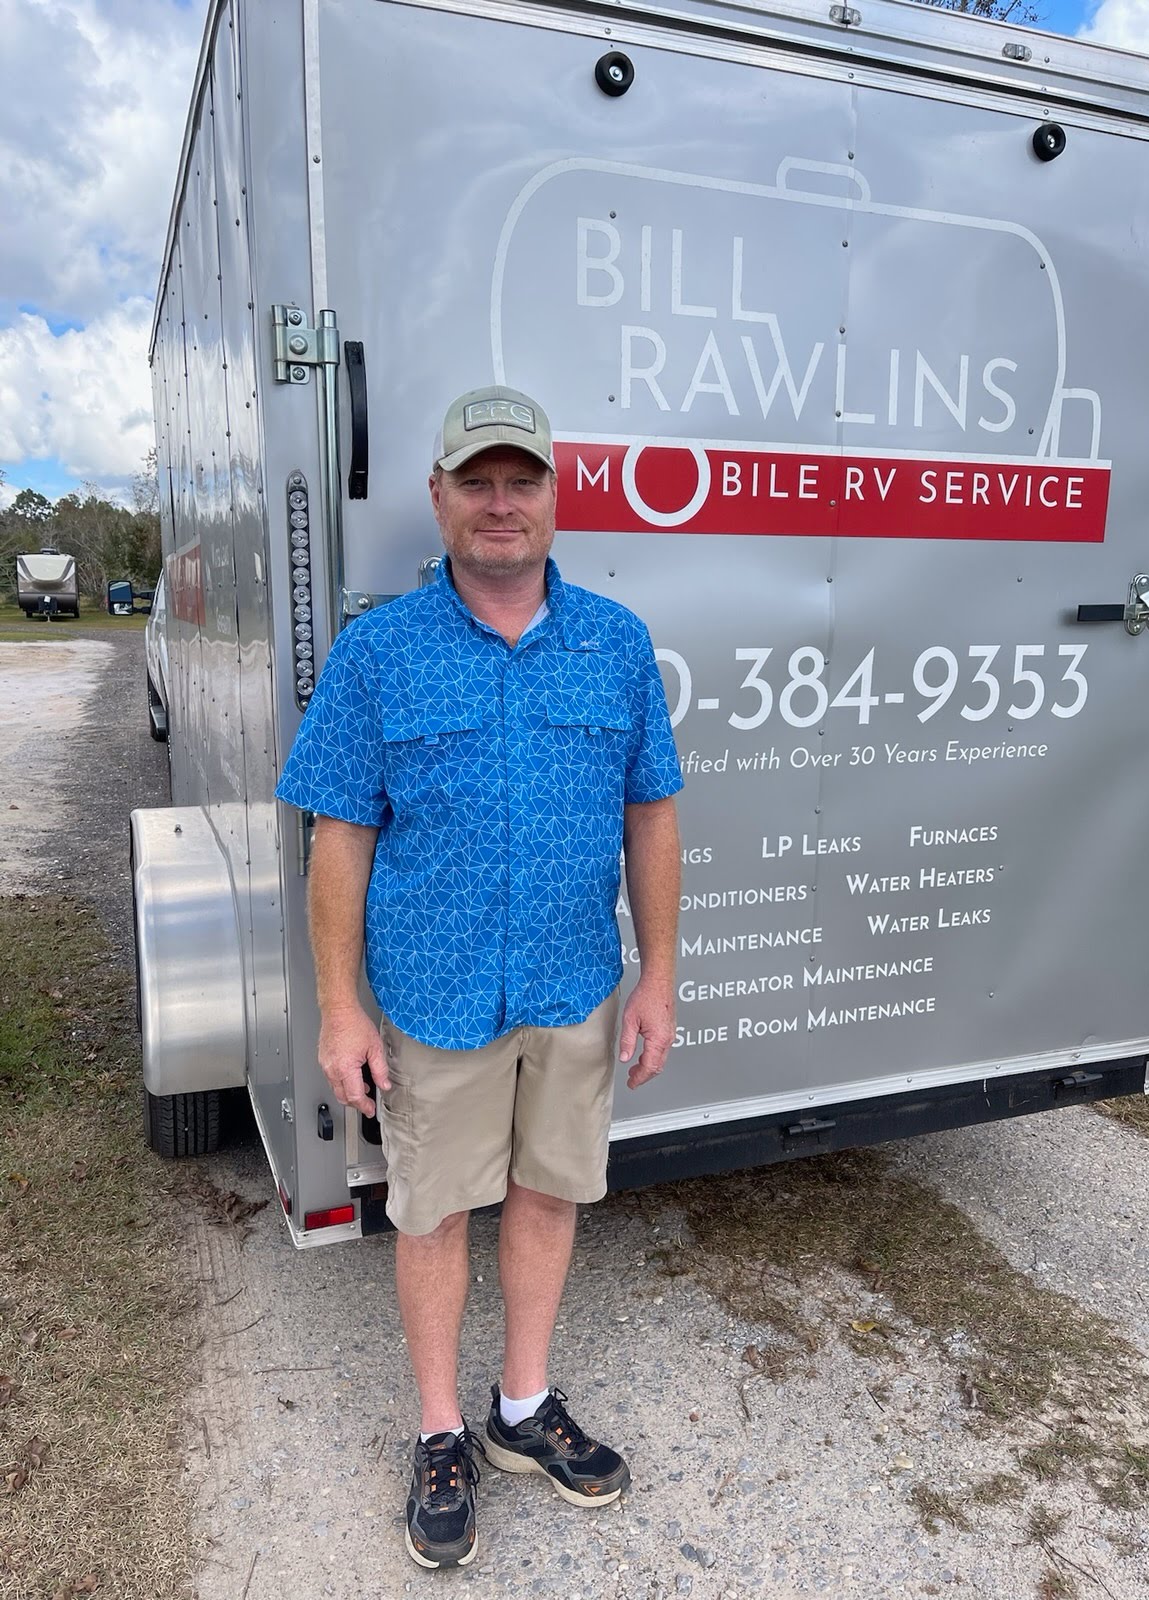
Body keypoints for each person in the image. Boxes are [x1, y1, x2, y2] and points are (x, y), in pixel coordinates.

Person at [276, 385, 683, 1570]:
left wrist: (658, 975)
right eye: (477, 480)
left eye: (524, 480)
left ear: (557, 497)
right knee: (436, 1208)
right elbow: (338, 834)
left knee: (551, 1193)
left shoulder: (614, 642)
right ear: (440, 498)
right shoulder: (378, 653)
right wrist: (343, 1004)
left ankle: (519, 1409)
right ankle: (442, 1428)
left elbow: (651, 816)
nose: (501, 503)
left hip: (572, 986)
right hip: (435, 994)